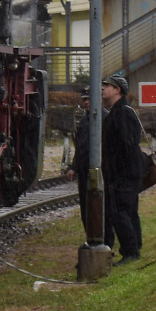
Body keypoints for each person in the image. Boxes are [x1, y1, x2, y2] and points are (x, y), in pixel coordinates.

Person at [99, 74, 145, 263]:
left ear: (117, 90)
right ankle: (134, 246)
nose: (102, 89)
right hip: (126, 171)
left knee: (119, 210)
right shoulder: (119, 111)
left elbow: (126, 144)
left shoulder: (123, 113)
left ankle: (130, 252)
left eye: (106, 86)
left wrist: (116, 170)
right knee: (128, 210)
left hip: (125, 172)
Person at [68, 87, 93, 234]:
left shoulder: (104, 117)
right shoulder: (84, 120)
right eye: (84, 99)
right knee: (85, 205)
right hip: (84, 169)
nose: (86, 102)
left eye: (89, 99)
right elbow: (80, 147)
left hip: (98, 169)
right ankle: (90, 235)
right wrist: (74, 167)